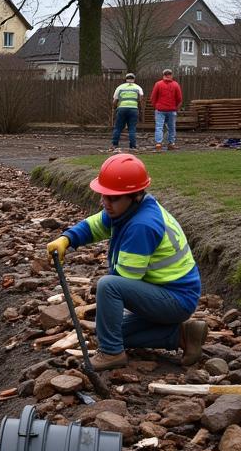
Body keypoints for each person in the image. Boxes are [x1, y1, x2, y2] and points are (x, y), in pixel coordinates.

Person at [46, 154, 205, 371]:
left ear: (135, 195)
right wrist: (67, 238)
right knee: (112, 333)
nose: (106, 203)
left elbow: (123, 282)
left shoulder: (142, 225)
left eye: (113, 199)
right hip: (164, 293)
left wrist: (103, 302)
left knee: (108, 286)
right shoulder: (127, 210)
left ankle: (111, 354)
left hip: (175, 299)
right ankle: (183, 335)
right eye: (104, 196)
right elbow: (95, 225)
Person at [150, 67, 182, 152]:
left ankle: (158, 144)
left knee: (159, 127)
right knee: (171, 127)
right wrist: (176, 108)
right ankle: (171, 144)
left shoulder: (158, 84)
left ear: (163, 75)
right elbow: (179, 98)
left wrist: (155, 106)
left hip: (160, 109)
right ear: (171, 75)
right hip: (171, 109)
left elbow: (153, 97)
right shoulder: (176, 84)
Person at [110, 72, 144, 153]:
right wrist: (140, 107)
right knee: (132, 128)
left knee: (118, 127)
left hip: (122, 109)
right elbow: (141, 97)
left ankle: (114, 144)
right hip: (133, 109)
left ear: (125, 79)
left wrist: (114, 108)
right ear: (134, 79)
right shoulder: (138, 87)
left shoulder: (120, 87)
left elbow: (115, 100)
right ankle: (133, 146)